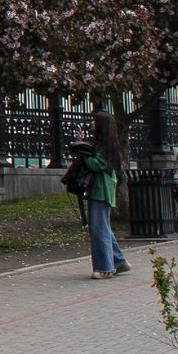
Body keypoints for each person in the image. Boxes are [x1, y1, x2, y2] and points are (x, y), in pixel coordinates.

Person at [78, 117, 126, 277]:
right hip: (103, 188)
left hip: (100, 188)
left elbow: (96, 164)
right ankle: (118, 261)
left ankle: (105, 268)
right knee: (103, 226)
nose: (92, 124)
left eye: (95, 122)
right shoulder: (107, 143)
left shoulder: (105, 146)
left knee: (98, 228)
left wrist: (83, 154)